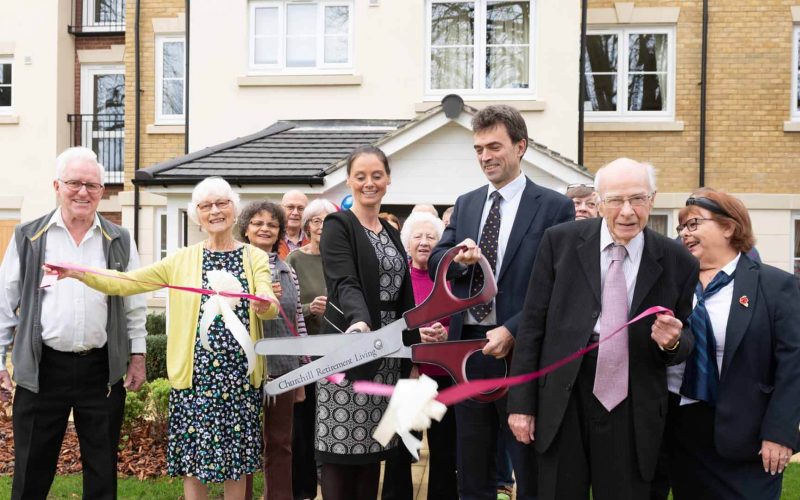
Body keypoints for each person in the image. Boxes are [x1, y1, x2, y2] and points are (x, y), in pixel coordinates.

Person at [48, 176, 278, 500]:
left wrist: (265, 303)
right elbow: (126, 282)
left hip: (239, 381)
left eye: (222, 203)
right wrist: (77, 272)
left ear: (234, 209)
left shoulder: (253, 257)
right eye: (206, 205)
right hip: (195, 380)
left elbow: (268, 301)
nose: (215, 211)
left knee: (237, 463)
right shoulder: (182, 259)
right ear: (197, 214)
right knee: (193, 462)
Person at [506, 158, 699, 500]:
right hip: (564, 398)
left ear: (652, 200)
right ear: (598, 201)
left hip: (632, 402)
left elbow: (683, 342)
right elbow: (533, 324)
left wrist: (672, 342)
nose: (627, 211)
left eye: (637, 199)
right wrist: (521, 404)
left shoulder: (677, 260)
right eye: (615, 200)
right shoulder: (559, 242)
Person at [429, 104, 575, 500]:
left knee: (527, 465)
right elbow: (436, 260)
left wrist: (513, 329)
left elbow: (559, 288)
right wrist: (457, 259)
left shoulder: (554, 207)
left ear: (521, 146)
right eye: (478, 149)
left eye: (494, 146)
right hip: (469, 351)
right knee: (472, 468)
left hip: (523, 353)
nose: (485, 157)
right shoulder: (467, 203)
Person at [0, 147, 147, 500]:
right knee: (32, 468)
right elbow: (5, 302)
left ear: (102, 191)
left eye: (92, 185)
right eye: (74, 183)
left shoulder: (119, 239)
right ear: (56, 185)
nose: (83, 192)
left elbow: (134, 301)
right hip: (43, 368)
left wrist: (138, 355)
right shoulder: (29, 236)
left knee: (101, 469)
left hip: (101, 372)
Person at [665, 189, 800, 499]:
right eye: (681, 228)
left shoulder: (774, 285)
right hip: (683, 434)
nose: (685, 234)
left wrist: (779, 433)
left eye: (694, 224)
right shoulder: (672, 284)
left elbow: (793, 366)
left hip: (750, 435)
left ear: (729, 227)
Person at [317, 145, 421, 500]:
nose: (369, 183)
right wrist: (359, 323)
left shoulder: (392, 233)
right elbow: (343, 282)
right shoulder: (338, 225)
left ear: (388, 179)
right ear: (348, 181)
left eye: (377, 175)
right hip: (350, 348)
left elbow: (405, 298)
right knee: (340, 452)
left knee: (371, 453)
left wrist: (416, 349)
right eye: (360, 176)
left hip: (388, 354)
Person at [382, 212, 456, 500]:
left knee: (445, 451)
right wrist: (413, 339)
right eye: (417, 236)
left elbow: (462, 322)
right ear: (407, 242)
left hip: (445, 377)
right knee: (400, 450)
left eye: (431, 237)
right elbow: (387, 325)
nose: (424, 242)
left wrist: (446, 335)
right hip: (408, 377)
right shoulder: (397, 278)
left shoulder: (450, 280)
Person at [238, 201, 308, 500]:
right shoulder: (235, 266)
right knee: (245, 443)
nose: (264, 228)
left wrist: (303, 372)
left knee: (280, 442)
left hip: (283, 370)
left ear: (279, 231)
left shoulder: (287, 270)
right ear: (245, 228)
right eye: (257, 223)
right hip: (244, 370)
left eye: (271, 224)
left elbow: (298, 322)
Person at [286, 198, 337, 500]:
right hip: (306, 353)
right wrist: (308, 308)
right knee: (304, 423)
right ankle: (304, 489)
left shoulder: (342, 258)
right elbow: (287, 307)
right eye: (316, 221)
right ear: (306, 227)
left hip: (339, 351)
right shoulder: (295, 259)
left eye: (328, 220)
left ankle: (330, 482)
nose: (321, 226)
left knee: (330, 419)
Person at [279, 190, 310, 260]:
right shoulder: (271, 238)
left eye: (301, 208)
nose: (295, 213)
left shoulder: (314, 239)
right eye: (290, 207)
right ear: (281, 209)